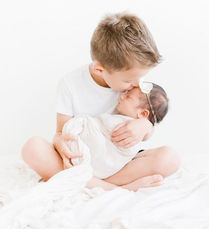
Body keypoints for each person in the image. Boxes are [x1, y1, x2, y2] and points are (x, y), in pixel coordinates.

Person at [22, 12, 181, 191]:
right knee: (32, 148)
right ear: (100, 69)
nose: (136, 85)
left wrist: (145, 126)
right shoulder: (70, 85)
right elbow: (61, 133)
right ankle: (119, 188)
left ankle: (95, 185)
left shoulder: (131, 82)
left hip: (117, 163)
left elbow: (145, 118)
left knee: (170, 158)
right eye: (129, 81)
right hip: (83, 160)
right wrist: (61, 144)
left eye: (140, 78)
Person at [62, 84, 169, 181]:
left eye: (128, 97)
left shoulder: (126, 125)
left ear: (142, 113)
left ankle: (103, 182)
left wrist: (86, 121)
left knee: (83, 123)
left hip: (103, 164)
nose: (121, 96)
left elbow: (102, 122)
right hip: (105, 170)